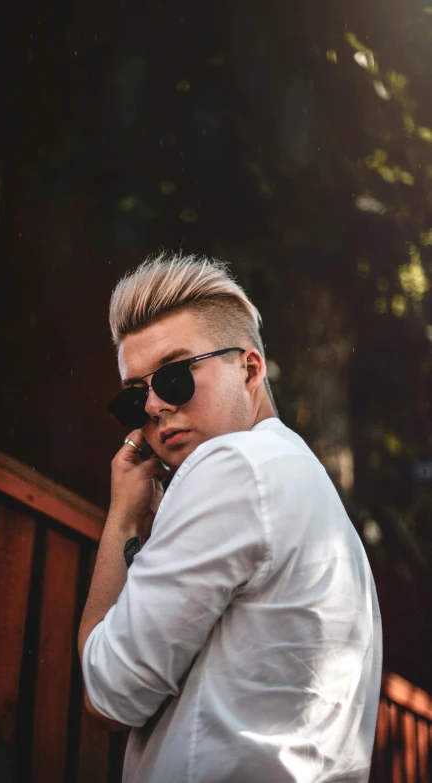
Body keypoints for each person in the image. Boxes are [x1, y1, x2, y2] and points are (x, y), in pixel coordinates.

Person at [78, 252, 382, 783]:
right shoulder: (309, 490)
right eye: (133, 398)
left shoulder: (231, 464)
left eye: (173, 378)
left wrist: (122, 523)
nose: (152, 407)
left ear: (249, 368)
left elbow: (107, 694)